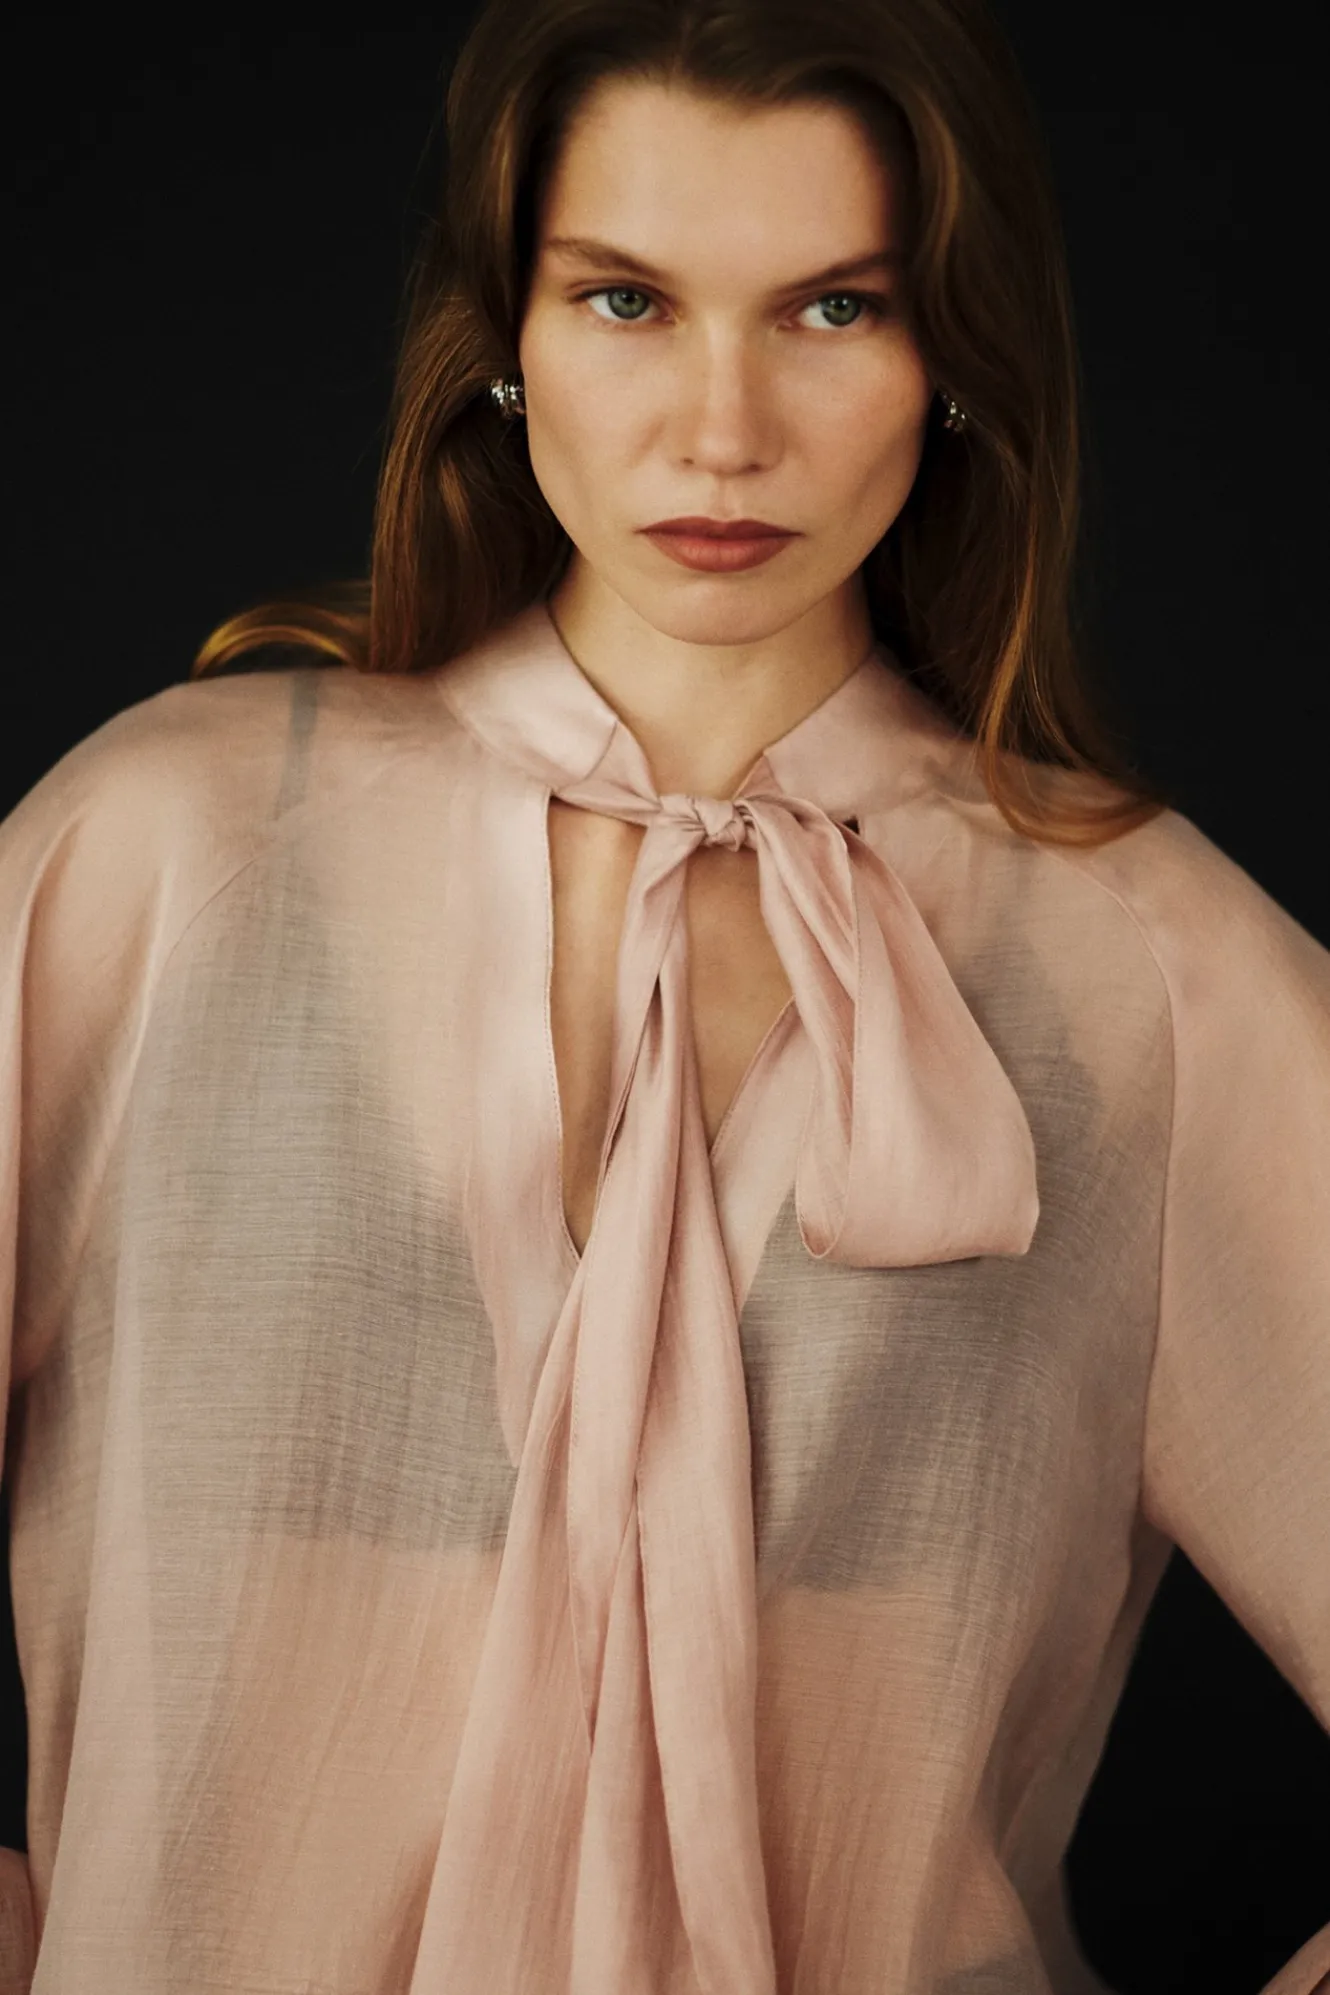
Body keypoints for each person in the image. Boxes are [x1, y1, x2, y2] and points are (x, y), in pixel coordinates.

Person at [1, 0, 1326, 1989]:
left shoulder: (1140, 964)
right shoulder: (164, 855)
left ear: (953, 357)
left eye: (832, 310)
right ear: (504, 339)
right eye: (625, 301)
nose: (723, 430)